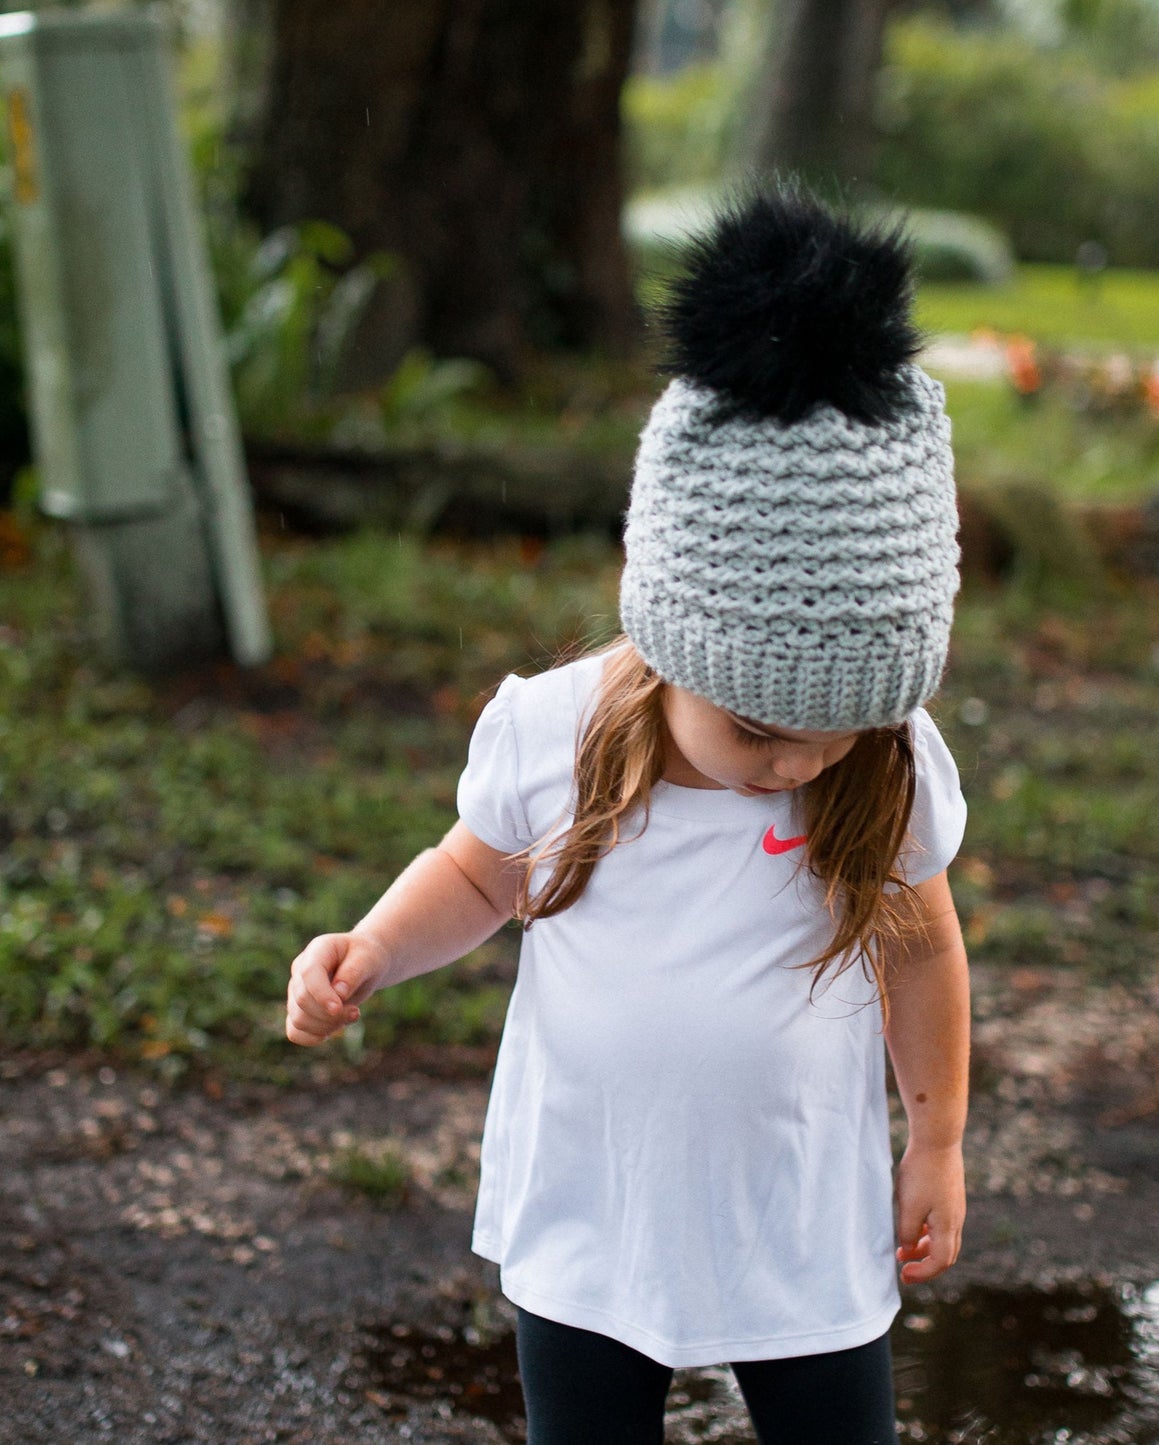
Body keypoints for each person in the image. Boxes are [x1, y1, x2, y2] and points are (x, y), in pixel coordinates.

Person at [285, 183, 972, 1445]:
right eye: (759, 731)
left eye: (836, 736)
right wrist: (375, 946)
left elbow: (922, 943)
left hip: (797, 1220)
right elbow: (478, 874)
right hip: (593, 1208)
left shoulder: (883, 770)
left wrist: (934, 1136)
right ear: (666, 647)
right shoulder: (555, 731)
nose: (792, 766)